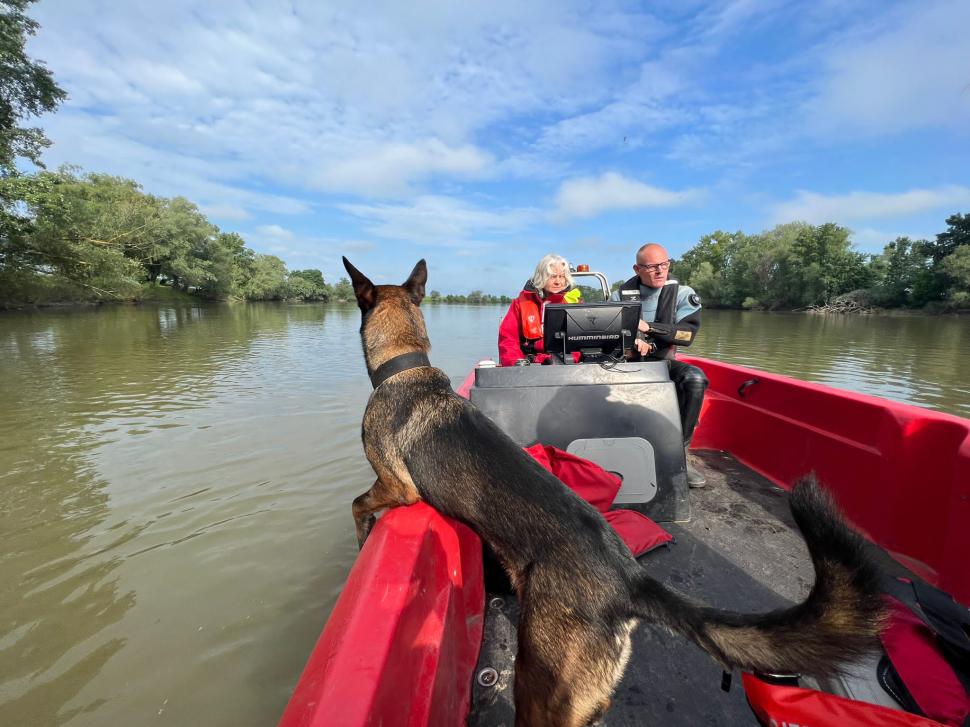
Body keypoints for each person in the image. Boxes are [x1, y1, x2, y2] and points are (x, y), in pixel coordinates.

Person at [611, 243, 709, 487]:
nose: (659, 271)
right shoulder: (618, 296)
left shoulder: (684, 294)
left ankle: (680, 457)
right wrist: (630, 339)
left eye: (664, 265)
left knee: (695, 379)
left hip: (663, 364)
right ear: (637, 269)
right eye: (652, 266)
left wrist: (649, 328)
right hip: (628, 364)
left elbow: (686, 336)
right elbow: (608, 331)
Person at [498, 253, 581, 367]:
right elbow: (508, 340)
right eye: (553, 276)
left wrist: (570, 359)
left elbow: (581, 342)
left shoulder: (575, 303)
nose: (558, 282)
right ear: (541, 277)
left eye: (561, 276)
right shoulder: (520, 303)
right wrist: (517, 365)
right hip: (529, 365)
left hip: (564, 364)